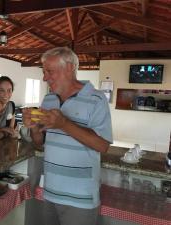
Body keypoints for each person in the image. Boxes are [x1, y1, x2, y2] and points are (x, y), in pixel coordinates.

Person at [22, 47, 112, 225]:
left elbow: (103, 146)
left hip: (80, 198)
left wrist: (64, 124)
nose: (45, 78)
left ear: (70, 67)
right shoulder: (48, 99)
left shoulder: (97, 99)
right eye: (44, 72)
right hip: (50, 191)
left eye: (50, 71)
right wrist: (33, 128)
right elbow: (41, 143)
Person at [0, 76, 16, 140]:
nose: (6, 94)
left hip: (5, 145)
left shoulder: (11, 105)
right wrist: (5, 130)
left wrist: (1, 132)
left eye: (9, 90)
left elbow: (11, 130)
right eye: (2, 90)